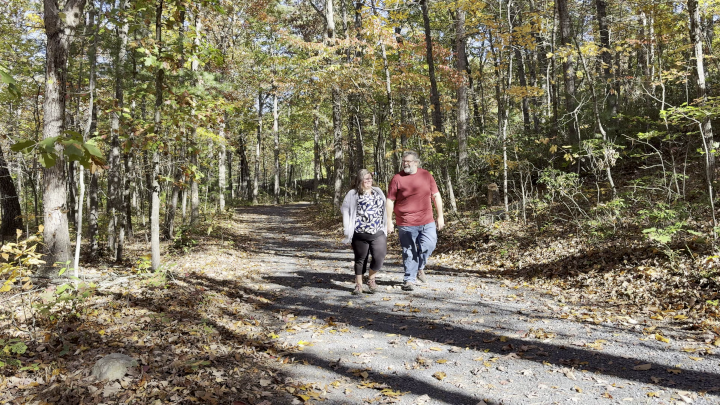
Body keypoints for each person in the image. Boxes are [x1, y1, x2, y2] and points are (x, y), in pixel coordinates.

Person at [386, 150, 444, 291]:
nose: (405, 164)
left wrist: (440, 216)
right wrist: (389, 221)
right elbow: (390, 200)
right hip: (406, 222)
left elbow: (436, 195)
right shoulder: (397, 178)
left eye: (408, 161)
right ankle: (409, 280)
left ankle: (419, 267)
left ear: (416, 162)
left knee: (429, 245)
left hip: (427, 220)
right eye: (403, 161)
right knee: (409, 251)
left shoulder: (426, 175)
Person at [341, 169, 388, 295]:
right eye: (366, 179)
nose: (369, 181)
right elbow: (345, 210)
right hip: (360, 232)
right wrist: (347, 230)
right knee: (360, 259)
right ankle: (359, 285)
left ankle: (371, 279)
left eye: (370, 178)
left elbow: (385, 209)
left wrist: (388, 223)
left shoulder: (378, 191)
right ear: (359, 180)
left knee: (379, 256)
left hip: (378, 231)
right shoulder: (353, 193)